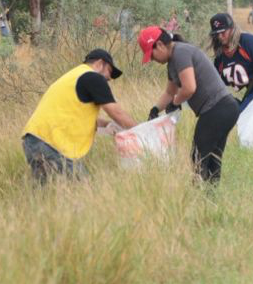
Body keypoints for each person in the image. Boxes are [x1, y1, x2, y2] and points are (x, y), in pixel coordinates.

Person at [140, 26, 240, 184]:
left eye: (151, 55)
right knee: (212, 158)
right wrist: (155, 109)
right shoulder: (172, 61)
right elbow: (169, 92)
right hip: (224, 109)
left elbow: (189, 87)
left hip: (218, 108)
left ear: (159, 45)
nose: (152, 59)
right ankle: (210, 198)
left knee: (198, 157)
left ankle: (199, 197)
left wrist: (175, 103)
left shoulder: (180, 53)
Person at [20, 48, 138, 182]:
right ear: (100, 64)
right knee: (84, 190)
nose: (109, 79)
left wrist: (108, 125)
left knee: (47, 196)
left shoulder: (74, 77)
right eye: (109, 72)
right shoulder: (93, 76)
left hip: (33, 141)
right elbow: (115, 112)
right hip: (51, 144)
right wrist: (140, 131)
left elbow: (76, 116)